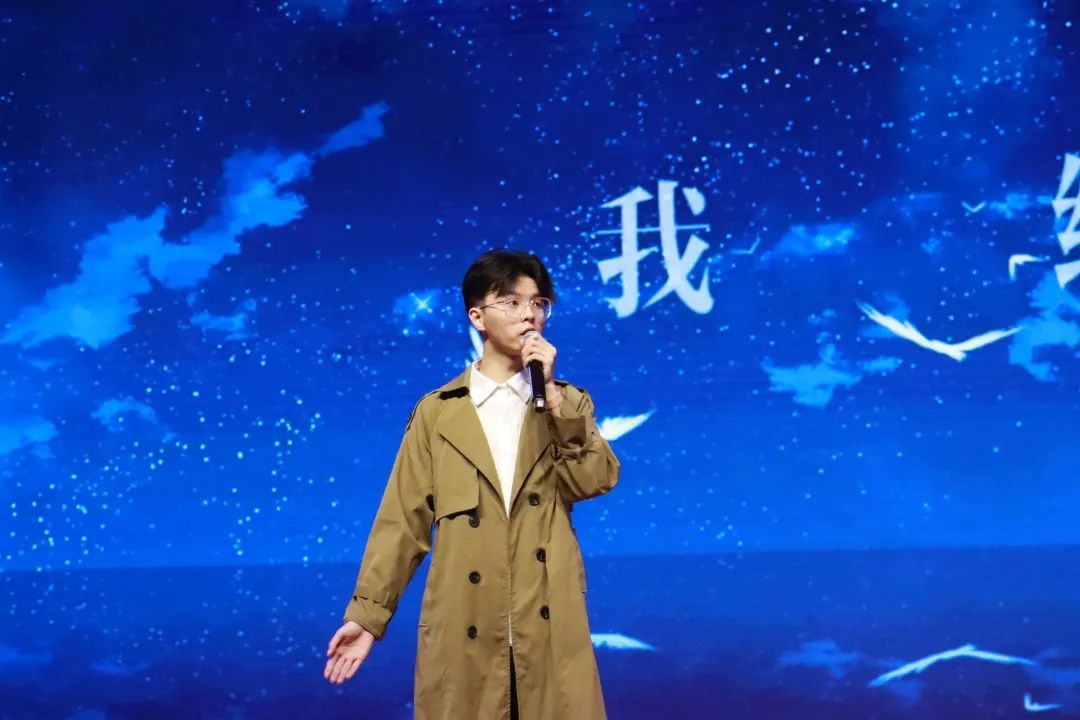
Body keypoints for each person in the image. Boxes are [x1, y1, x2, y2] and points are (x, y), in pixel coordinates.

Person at [324, 249, 620, 719]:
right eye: (512, 302)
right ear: (477, 316)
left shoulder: (567, 403)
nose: (529, 314)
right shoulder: (437, 412)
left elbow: (595, 479)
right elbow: (402, 523)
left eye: (539, 303)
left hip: (548, 628)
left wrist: (552, 398)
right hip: (464, 627)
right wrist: (367, 616)